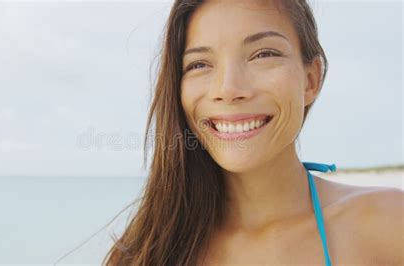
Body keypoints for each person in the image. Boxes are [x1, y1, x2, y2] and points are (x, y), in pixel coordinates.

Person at [103, 0, 403, 265]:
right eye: (199, 64)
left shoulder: (390, 225)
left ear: (311, 80)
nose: (228, 89)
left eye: (263, 54)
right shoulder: (143, 253)